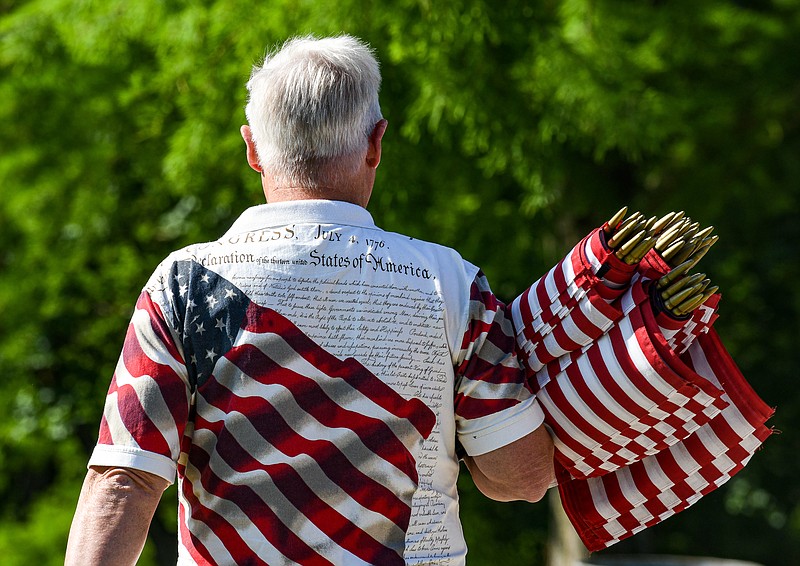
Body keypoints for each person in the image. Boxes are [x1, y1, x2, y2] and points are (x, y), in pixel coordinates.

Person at [65, 35, 555, 565]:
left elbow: (125, 478)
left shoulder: (183, 285)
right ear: (376, 143)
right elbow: (519, 476)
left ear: (252, 149)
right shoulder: (453, 282)